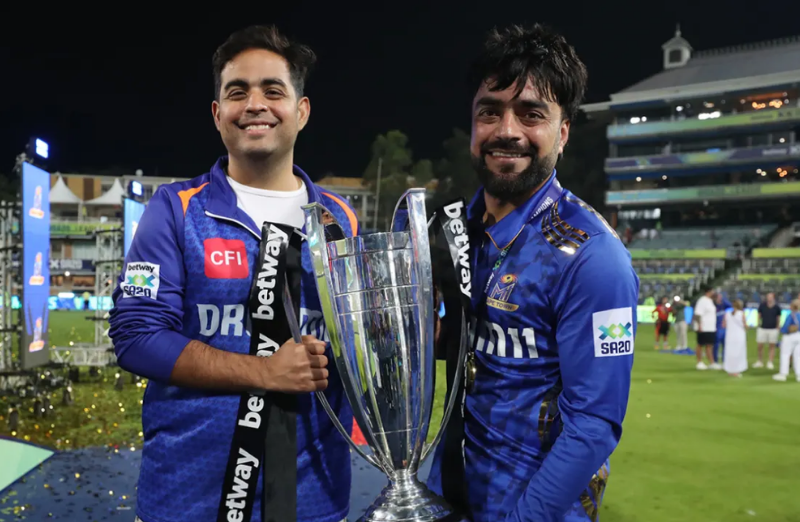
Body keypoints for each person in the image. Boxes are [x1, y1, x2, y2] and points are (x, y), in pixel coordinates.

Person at [108, 25, 357, 522]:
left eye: (273, 90)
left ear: (301, 111)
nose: (255, 104)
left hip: (314, 500)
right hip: (188, 500)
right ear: (218, 113)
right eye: (237, 92)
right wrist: (264, 372)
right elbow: (135, 336)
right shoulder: (175, 209)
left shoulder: (339, 220)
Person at [427, 24, 639, 522]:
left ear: (562, 133)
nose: (507, 130)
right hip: (446, 498)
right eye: (490, 111)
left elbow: (594, 425)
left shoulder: (596, 258)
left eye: (531, 113)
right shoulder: (452, 232)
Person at [772, 299, 800, 382]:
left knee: (785, 354)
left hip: (789, 337)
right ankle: (799, 375)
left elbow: (785, 327)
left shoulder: (791, 315)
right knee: (798, 356)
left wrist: (781, 330)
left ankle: (783, 374)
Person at [693, 286, 718, 370]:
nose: (714, 293)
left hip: (710, 327)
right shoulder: (702, 301)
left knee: (709, 345)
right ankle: (699, 362)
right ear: (708, 292)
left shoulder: (710, 301)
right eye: (712, 291)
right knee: (700, 344)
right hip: (704, 327)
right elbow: (698, 314)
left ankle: (711, 363)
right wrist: (699, 325)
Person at [754, 292, 781, 370]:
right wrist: (758, 323)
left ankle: (770, 362)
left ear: (773, 298)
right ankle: (760, 361)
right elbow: (759, 315)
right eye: (768, 297)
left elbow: (778, 317)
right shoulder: (762, 305)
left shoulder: (777, 307)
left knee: (772, 346)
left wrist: (778, 326)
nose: (769, 298)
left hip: (773, 329)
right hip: (762, 328)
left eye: (771, 297)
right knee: (760, 345)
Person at [722, 300, 747, 377]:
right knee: (738, 352)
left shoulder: (727, 314)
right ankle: (736, 370)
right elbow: (745, 325)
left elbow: (723, 325)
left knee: (730, 352)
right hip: (739, 336)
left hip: (730, 336)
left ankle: (730, 370)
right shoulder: (741, 314)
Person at [713, 292, 732, 365]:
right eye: (718, 297)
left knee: (725, 345)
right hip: (716, 328)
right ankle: (715, 361)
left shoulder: (724, 304)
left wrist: (723, 301)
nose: (720, 298)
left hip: (724, 328)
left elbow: (731, 306)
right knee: (716, 345)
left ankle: (724, 361)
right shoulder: (713, 305)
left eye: (720, 297)